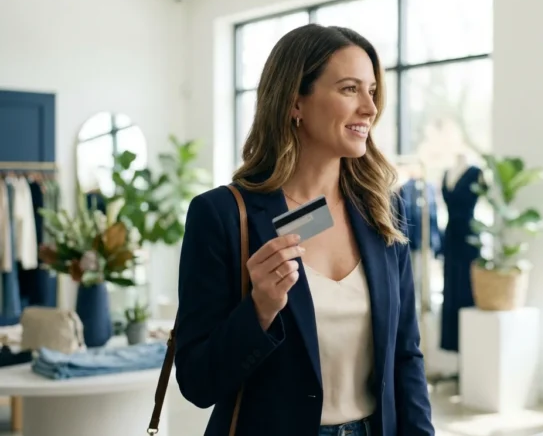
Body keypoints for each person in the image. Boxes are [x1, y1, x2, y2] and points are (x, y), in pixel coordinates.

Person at [173, 24, 435, 436]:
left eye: (372, 91)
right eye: (350, 89)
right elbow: (197, 381)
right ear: (296, 102)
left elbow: (406, 357)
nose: (370, 108)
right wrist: (259, 309)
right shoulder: (221, 215)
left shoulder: (382, 211)